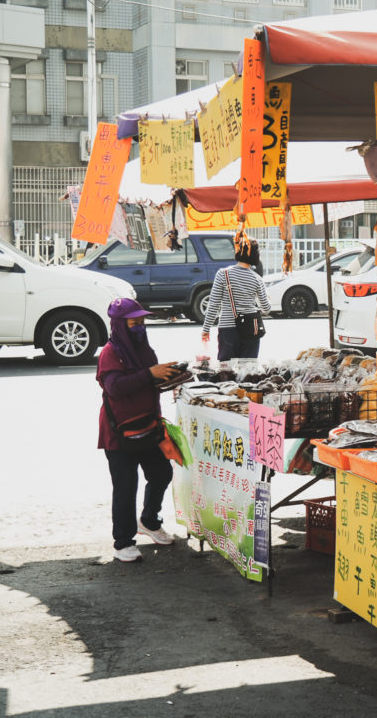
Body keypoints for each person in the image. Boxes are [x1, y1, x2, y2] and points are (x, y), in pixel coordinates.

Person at [97, 298, 182, 562]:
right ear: (120, 325)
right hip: (119, 433)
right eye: (134, 322)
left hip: (149, 426)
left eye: (142, 321)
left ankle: (149, 521)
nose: (140, 326)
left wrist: (171, 377)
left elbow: (151, 381)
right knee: (125, 487)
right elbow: (116, 388)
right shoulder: (110, 353)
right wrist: (150, 374)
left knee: (161, 473)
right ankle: (123, 542)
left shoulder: (145, 350)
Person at [201, 239, 270, 360]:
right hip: (251, 328)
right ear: (256, 255)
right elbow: (266, 308)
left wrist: (206, 329)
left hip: (228, 329)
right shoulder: (257, 279)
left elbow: (214, 304)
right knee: (248, 370)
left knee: (227, 370)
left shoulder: (223, 274)